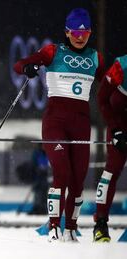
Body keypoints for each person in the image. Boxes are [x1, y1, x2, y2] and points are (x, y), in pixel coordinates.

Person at [13, 8, 105, 242]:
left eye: (85, 32)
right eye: (75, 31)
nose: (80, 36)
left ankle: (71, 228)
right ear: (67, 31)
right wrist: (28, 67)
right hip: (55, 122)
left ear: (90, 33)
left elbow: (112, 86)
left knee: (78, 179)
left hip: (82, 124)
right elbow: (20, 64)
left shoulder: (96, 57)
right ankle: (54, 226)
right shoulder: (53, 51)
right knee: (62, 173)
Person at [93, 54, 127, 242]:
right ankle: (100, 223)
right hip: (119, 119)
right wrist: (115, 130)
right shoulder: (121, 67)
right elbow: (102, 99)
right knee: (112, 170)